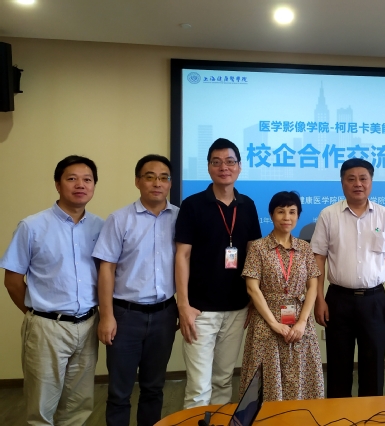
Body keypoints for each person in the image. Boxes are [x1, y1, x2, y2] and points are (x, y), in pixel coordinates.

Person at [0, 155, 104, 425]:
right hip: (47, 328)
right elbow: (12, 281)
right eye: (72, 179)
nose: (80, 185)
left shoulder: (101, 227)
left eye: (87, 179)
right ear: (58, 184)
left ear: (94, 185)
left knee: (78, 404)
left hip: (89, 324)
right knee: (42, 405)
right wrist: (37, 315)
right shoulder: (32, 226)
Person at [92, 155, 179, 425]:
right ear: (137, 181)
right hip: (125, 316)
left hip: (165, 314)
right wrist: (106, 316)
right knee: (120, 392)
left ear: (170, 183)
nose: (157, 183)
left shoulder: (180, 218)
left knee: (154, 388)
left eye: (163, 177)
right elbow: (106, 269)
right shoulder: (119, 219)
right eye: (150, 177)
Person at [175, 138, 262, 408]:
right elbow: (182, 256)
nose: (224, 167)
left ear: (239, 166)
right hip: (200, 310)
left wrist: (253, 300)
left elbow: (254, 256)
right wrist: (183, 305)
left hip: (237, 308)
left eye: (230, 161)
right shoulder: (192, 205)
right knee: (198, 387)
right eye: (217, 162)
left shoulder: (248, 205)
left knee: (223, 381)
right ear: (209, 167)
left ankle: (219, 423)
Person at [311, 158, 385, 398]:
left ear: (371, 182)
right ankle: (338, 413)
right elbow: (318, 259)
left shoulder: (384, 215)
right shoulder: (328, 215)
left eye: (363, 178)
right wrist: (319, 299)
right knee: (338, 363)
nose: (358, 184)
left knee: (373, 364)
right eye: (351, 179)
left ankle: (371, 413)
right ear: (342, 183)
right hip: (338, 299)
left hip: (374, 300)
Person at [240, 191, 324, 401]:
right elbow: (252, 288)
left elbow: (313, 286)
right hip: (266, 322)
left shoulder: (304, 248)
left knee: (301, 376)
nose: (287, 217)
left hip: (299, 321)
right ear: (271, 214)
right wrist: (274, 324)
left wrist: (302, 322)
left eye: (292, 212)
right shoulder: (258, 248)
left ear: (298, 216)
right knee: (267, 381)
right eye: (281, 211)